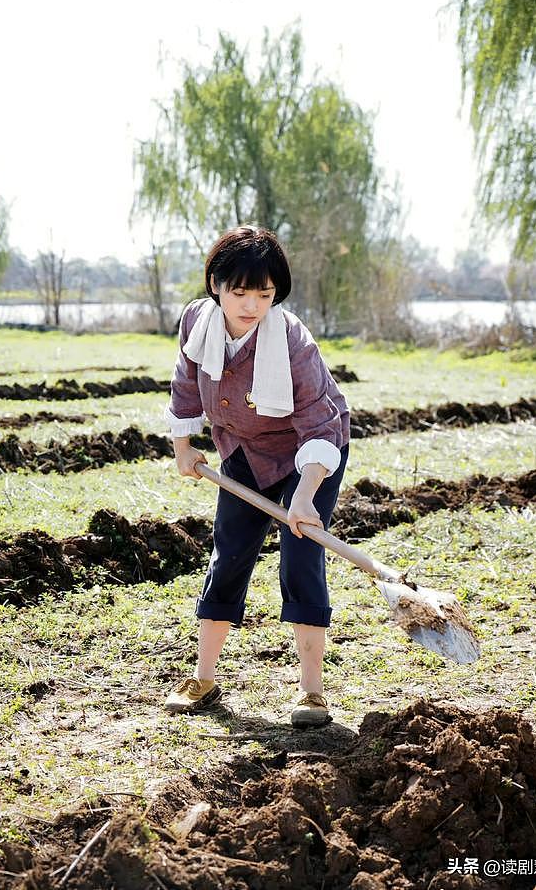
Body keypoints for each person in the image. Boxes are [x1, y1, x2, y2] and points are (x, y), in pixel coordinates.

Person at [163, 225, 350, 728]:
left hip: (311, 454)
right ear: (216, 286)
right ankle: (203, 677)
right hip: (245, 450)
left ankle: (311, 693)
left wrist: (305, 495)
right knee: (230, 551)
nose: (250, 305)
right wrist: (184, 445)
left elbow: (320, 422)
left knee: (301, 553)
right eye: (239, 292)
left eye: (263, 294)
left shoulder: (292, 341)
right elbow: (185, 382)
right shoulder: (196, 324)